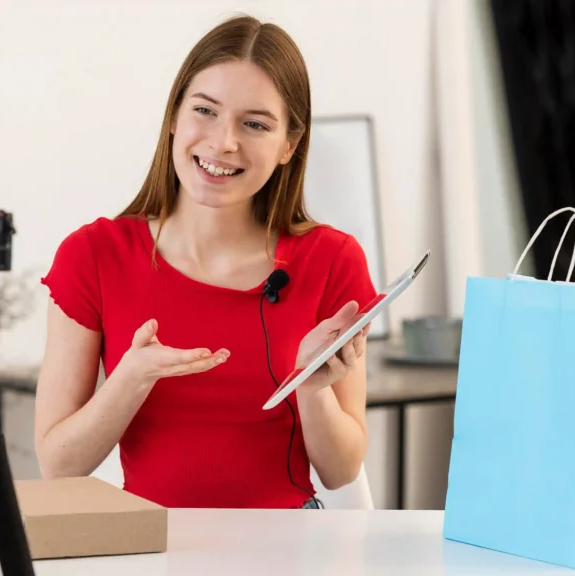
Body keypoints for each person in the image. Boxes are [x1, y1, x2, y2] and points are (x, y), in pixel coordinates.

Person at [34, 14, 377, 510]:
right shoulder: (93, 256)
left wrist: (313, 386)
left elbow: (341, 470)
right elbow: (58, 465)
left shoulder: (332, 260)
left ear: (289, 145)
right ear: (174, 116)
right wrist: (130, 380)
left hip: (290, 548)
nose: (223, 142)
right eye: (206, 111)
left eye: (255, 124)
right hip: (153, 548)